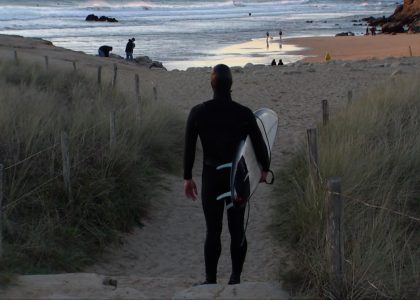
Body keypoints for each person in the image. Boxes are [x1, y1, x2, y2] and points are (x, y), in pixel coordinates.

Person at [183, 64, 270, 285]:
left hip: (211, 178)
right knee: (237, 228)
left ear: (211, 84)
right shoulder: (244, 113)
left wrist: (187, 177)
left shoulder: (198, 112)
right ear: (231, 85)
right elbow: (260, 146)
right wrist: (264, 169)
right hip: (236, 179)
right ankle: (235, 278)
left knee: (213, 230)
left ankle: (210, 280)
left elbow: (189, 148)